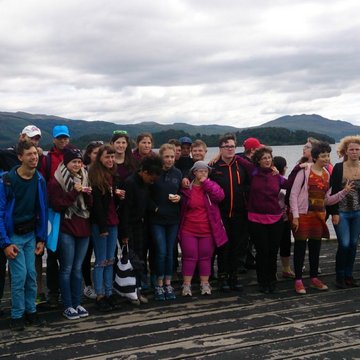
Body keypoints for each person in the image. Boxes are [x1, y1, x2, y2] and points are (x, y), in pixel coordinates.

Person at [290, 142, 353, 295]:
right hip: (303, 215)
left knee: (315, 248)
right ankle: (298, 280)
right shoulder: (305, 171)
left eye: (328, 155)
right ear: (316, 157)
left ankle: (314, 278)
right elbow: (293, 194)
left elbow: (327, 200)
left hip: (319, 216)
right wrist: (296, 216)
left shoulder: (327, 174)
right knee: (299, 248)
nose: (326, 158)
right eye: (323, 156)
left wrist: (344, 192)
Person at [0, 141, 47, 331]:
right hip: (14, 236)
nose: (34, 157)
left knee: (32, 274)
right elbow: (0, 213)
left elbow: (42, 209)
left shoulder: (39, 179)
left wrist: (42, 237)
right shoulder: (7, 181)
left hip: (30, 234)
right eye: (29, 154)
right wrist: (5, 243)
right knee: (19, 276)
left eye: (35, 153)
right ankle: (17, 315)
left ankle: (31, 311)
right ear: (20, 157)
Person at [48, 148, 93, 320]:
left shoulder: (85, 176)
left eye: (79, 161)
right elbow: (57, 205)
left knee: (77, 269)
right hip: (66, 228)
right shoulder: (55, 180)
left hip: (83, 228)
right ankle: (67, 305)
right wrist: (75, 191)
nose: (77, 164)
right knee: (66, 268)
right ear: (66, 163)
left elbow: (90, 205)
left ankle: (77, 302)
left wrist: (87, 194)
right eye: (73, 161)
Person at [236, 147, 287, 294]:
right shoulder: (253, 172)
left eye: (269, 157)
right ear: (258, 160)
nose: (267, 160)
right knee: (262, 252)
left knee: (272, 252)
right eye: (264, 158)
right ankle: (262, 281)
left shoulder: (276, 175)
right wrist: (219, 154)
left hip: (275, 219)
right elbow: (238, 157)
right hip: (256, 219)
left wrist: (302, 166)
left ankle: (272, 280)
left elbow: (290, 185)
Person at [179, 161, 228, 296]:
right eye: (200, 171)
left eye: (205, 171)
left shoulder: (211, 186)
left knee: (205, 257)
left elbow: (220, 196)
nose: (202, 173)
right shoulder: (186, 187)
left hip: (207, 229)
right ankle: (186, 285)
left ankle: (205, 284)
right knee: (189, 256)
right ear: (194, 172)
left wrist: (206, 183)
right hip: (188, 228)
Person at [121, 156, 163, 303]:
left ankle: (137, 290)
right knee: (131, 260)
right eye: (151, 179)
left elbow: (145, 200)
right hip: (129, 226)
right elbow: (124, 210)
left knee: (139, 258)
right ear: (144, 172)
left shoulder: (144, 183)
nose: (152, 182)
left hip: (140, 225)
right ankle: (129, 291)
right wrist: (124, 233)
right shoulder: (130, 183)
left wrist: (156, 209)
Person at [210, 134, 249, 292]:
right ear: (220, 149)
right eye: (226, 146)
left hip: (239, 213)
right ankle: (222, 276)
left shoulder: (241, 166)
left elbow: (253, 180)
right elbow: (199, 177)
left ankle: (234, 276)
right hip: (221, 214)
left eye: (232, 146)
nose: (230, 149)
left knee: (236, 246)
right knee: (223, 247)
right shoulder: (214, 168)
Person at [40, 124, 72, 307]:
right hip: (53, 213)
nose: (63, 140)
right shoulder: (47, 159)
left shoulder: (74, 156)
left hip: (71, 213)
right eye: (60, 137)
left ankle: (67, 290)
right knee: (52, 254)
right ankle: (53, 292)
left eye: (65, 137)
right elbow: (42, 184)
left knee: (69, 255)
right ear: (54, 139)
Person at [88, 145, 123, 312]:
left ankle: (109, 292)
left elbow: (112, 204)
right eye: (106, 157)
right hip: (100, 224)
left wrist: (118, 197)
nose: (110, 160)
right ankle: (100, 294)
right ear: (99, 159)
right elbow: (96, 207)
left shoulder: (113, 176)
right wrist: (102, 227)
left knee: (111, 259)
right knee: (101, 260)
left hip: (113, 221)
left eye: (112, 157)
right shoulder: (95, 177)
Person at [149, 144, 182, 301]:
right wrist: (154, 208)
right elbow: (145, 194)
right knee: (161, 251)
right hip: (157, 220)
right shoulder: (154, 172)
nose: (169, 159)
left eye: (172, 156)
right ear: (161, 157)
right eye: (166, 156)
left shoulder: (178, 173)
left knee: (170, 252)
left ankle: (168, 283)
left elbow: (182, 193)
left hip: (173, 219)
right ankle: (158, 283)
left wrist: (179, 198)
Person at [329, 136, 360, 289]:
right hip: (341, 212)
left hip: (358, 212)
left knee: (354, 244)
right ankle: (339, 275)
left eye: (357, 149)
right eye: (351, 150)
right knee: (345, 244)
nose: (354, 152)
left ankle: (349, 275)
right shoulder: (338, 168)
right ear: (345, 152)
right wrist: (333, 212)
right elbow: (333, 191)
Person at [82, 141, 104, 300]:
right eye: (95, 153)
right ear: (89, 154)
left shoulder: (105, 172)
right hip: (85, 218)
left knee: (102, 254)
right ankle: (88, 286)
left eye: (100, 153)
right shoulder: (83, 171)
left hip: (100, 219)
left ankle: (102, 284)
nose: (97, 156)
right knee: (86, 254)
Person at [273, 156, 294, 278]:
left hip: (283, 217)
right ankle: (282, 269)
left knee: (284, 243)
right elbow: (289, 185)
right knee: (281, 244)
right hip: (277, 217)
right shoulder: (274, 178)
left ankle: (285, 269)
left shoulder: (279, 178)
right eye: (285, 166)